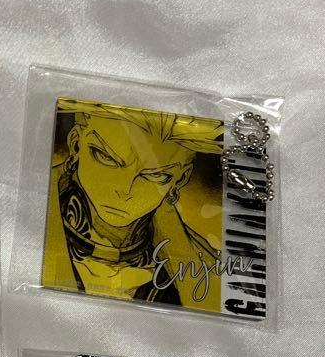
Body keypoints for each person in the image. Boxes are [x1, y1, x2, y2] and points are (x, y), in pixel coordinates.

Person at [42, 99, 223, 309]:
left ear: (180, 179)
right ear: (75, 144)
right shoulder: (25, 229)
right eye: (105, 157)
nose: (124, 189)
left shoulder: (206, 267)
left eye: (155, 175)